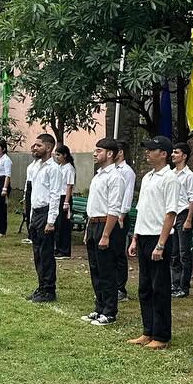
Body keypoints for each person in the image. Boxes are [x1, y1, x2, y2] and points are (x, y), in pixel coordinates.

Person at [125, 137, 182, 350]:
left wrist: (161, 244)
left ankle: (161, 335)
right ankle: (147, 330)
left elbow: (171, 213)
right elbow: (141, 210)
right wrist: (135, 237)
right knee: (145, 287)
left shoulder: (170, 178)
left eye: (152, 150)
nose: (147, 153)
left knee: (160, 288)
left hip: (158, 237)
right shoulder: (148, 177)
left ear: (164, 154)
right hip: (144, 236)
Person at [83, 138, 127, 326]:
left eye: (99, 150)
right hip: (94, 223)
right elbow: (93, 205)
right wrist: (88, 230)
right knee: (95, 269)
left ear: (110, 154)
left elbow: (113, 208)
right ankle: (99, 306)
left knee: (107, 269)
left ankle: (109, 311)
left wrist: (106, 234)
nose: (95, 153)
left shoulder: (115, 177)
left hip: (105, 224)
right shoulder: (98, 175)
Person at [26, 133, 63, 303]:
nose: (35, 148)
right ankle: (41, 285)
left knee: (46, 253)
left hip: (46, 212)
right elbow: (34, 193)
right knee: (37, 253)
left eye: (38, 145)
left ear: (48, 148)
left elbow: (55, 195)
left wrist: (51, 220)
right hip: (36, 212)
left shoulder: (53, 168)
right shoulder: (36, 166)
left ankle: (49, 289)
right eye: (34, 145)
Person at [169, 143, 193, 298]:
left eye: (176, 152)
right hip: (172, 215)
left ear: (184, 156)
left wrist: (188, 219)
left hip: (183, 213)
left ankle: (183, 286)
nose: (173, 155)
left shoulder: (189, 176)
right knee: (173, 252)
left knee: (184, 253)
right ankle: (174, 283)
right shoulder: (171, 173)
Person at [112, 145, 138, 301]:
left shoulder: (127, 171)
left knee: (118, 253)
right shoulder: (111, 169)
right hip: (110, 215)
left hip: (119, 216)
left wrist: (122, 215)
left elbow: (127, 194)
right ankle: (111, 285)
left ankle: (120, 288)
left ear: (120, 152)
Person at [53, 145, 76, 258]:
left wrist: (66, 201)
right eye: (55, 155)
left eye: (58, 155)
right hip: (57, 196)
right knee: (57, 224)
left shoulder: (69, 168)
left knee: (64, 225)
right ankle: (57, 248)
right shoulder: (59, 167)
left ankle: (65, 250)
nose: (56, 157)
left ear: (65, 155)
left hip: (64, 197)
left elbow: (69, 186)